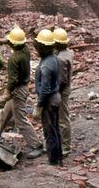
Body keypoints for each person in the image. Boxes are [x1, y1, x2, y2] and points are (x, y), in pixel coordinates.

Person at [0, 27, 44, 159]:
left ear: (11, 43)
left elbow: (12, 80)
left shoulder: (14, 59)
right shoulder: (25, 51)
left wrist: (6, 95)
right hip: (23, 87)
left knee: (20, 120)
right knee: (4, 115)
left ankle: (37, 145)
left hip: (17, 91)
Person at [33, 29, 62, 165]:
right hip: (56, 97)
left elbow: (45, 89)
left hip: (49, 101)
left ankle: (53, 161)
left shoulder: (45, 66)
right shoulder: (53, 58)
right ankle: (58, 157)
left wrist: (39, 105)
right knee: (56, 129)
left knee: (49, 132)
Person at [53, 27, 73, 156]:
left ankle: (65, 146)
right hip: (65, 89)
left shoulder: (60, 59)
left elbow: (60, 81)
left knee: (62, 119)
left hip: (60, 91)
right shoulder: (69, 52)